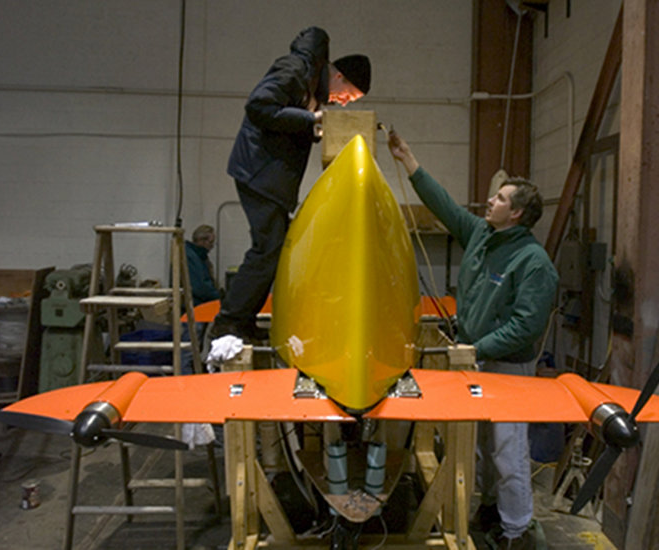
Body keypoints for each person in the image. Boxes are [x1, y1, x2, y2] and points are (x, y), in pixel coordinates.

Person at [388, 130, 558, 550]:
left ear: (516, 213)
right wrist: (408, 159)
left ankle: (517, 530)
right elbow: (443, 205)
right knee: (477, 447)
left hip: (508, 367)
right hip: (473, 360)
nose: (490, 202)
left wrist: (477, 349)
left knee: (508, 449)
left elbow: (525, 326)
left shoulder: (534, 263)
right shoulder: (482, 235)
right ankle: (489, 509)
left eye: (500, 199)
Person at [211, 26, 371, 343]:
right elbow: (258, 106)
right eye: (348, 94)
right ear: (338, 76)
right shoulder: (296, 70)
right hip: (258, 174)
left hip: (271, 180)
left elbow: (285, 121)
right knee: (266, 251)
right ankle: (228, 322)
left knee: (273, 251)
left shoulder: (311, 87)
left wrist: (313, 128)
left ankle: (241, 321)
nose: (343, 103)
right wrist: (311, 121)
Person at [185, 224, 220, 307]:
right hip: (196, 305)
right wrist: (219, 297)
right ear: (201, 241)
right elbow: (200, 287)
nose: (212, 246)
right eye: (211, 242)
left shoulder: (197, 256)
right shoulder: (191, 257)